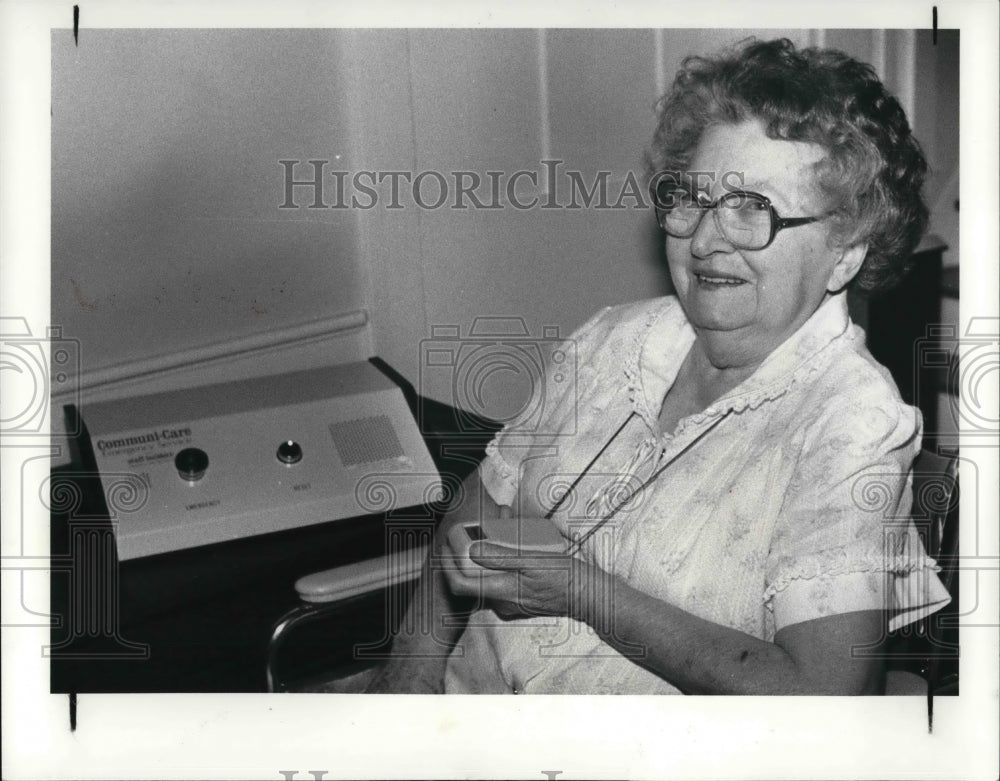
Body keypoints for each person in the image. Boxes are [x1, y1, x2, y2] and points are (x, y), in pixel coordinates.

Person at [364, 37, 950, 695]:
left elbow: (816, 695)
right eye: (692, 198)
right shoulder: (614, 341)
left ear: (845, 251)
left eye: (752, 208)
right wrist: (407, 678)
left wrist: (590, 595)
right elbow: (485, 497)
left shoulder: (852, 423)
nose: (703, 239)